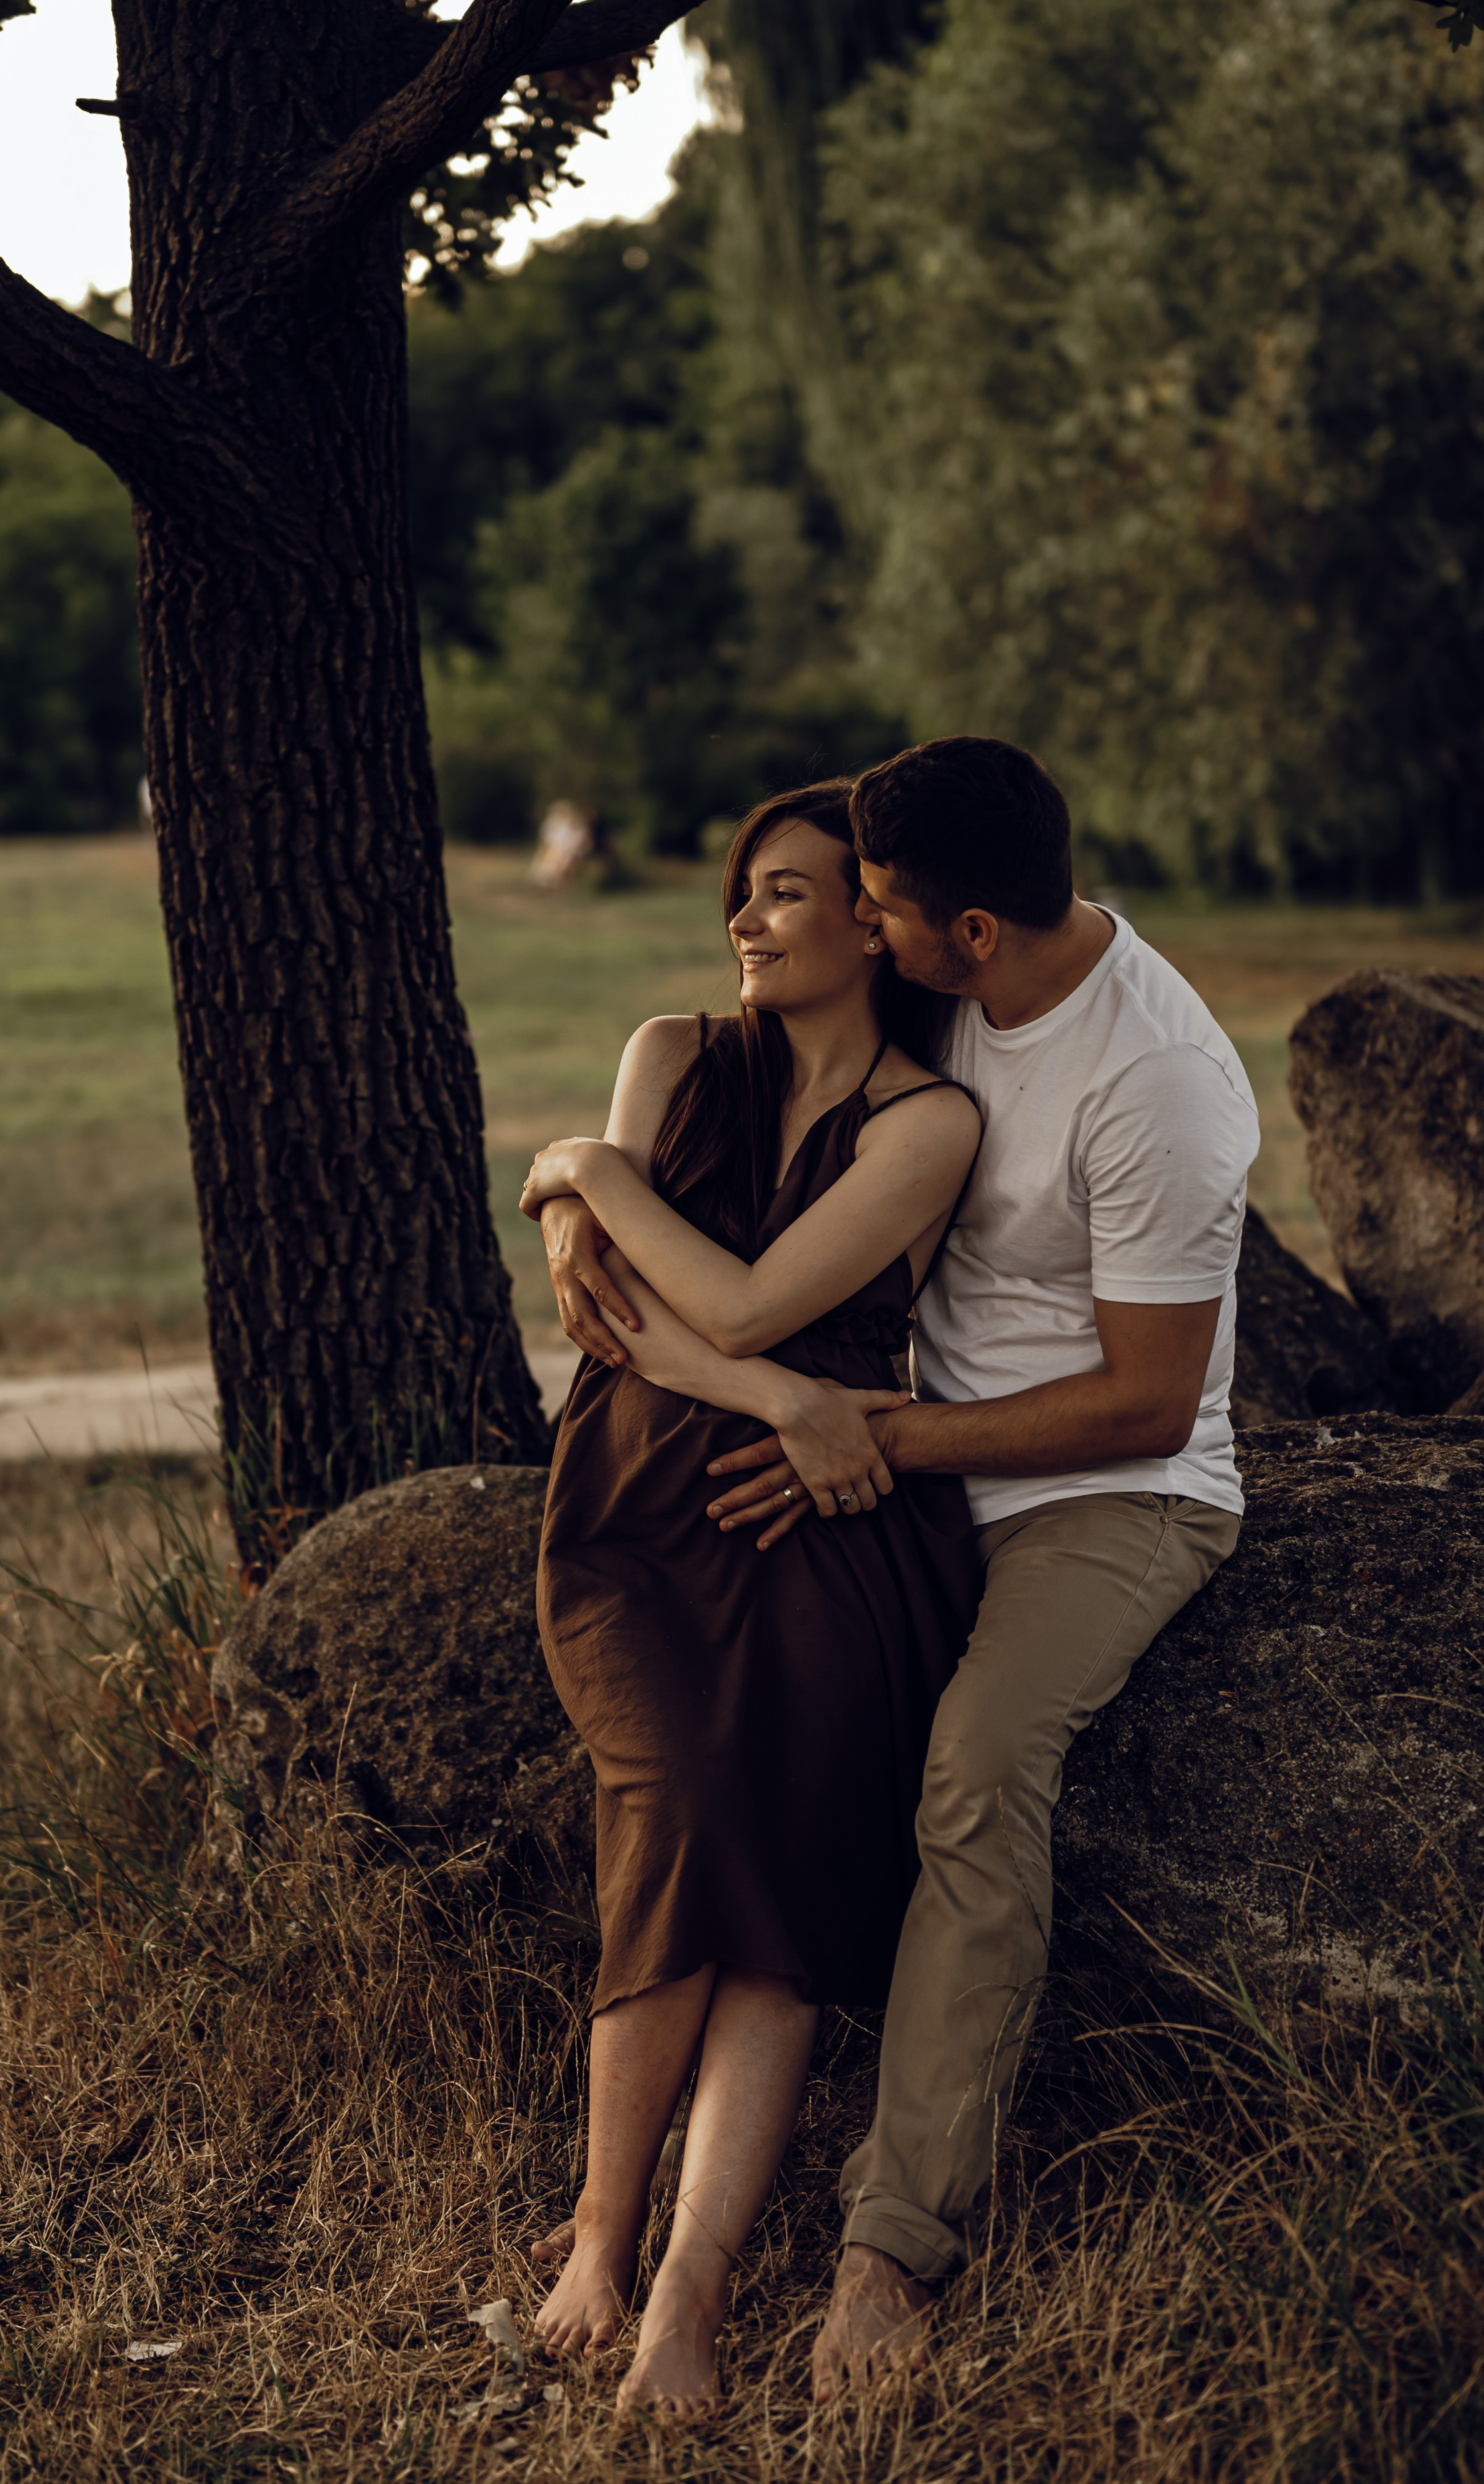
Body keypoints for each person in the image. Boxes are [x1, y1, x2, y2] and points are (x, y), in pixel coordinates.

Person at [540, 737, 1260, 2403]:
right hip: (883, 1463)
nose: (845, 922)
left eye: (874, 904)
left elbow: (1150, 1400)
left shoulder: (1151, 1081)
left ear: (969, 934)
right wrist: (581, 1183)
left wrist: (862, 1435)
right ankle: (614, 2228)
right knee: (753, 1767)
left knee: (973, 1770)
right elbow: (715, 1145)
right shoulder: (936, 997)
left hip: (1104, 1488)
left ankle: (888, 2251)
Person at [519, 782, 985, 2419]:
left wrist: (575, 1168)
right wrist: (780, 1392)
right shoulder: (669, 1051)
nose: (742, 919)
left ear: (872, 918)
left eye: (783, 893)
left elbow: (730, 1293)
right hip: (641, 1511)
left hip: (827, 1528)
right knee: (677, 1798)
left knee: (779, 1885)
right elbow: (637, 1318)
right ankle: (593, 2234)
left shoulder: (928, 1122)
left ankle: (683, 2304)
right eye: (741, 891)